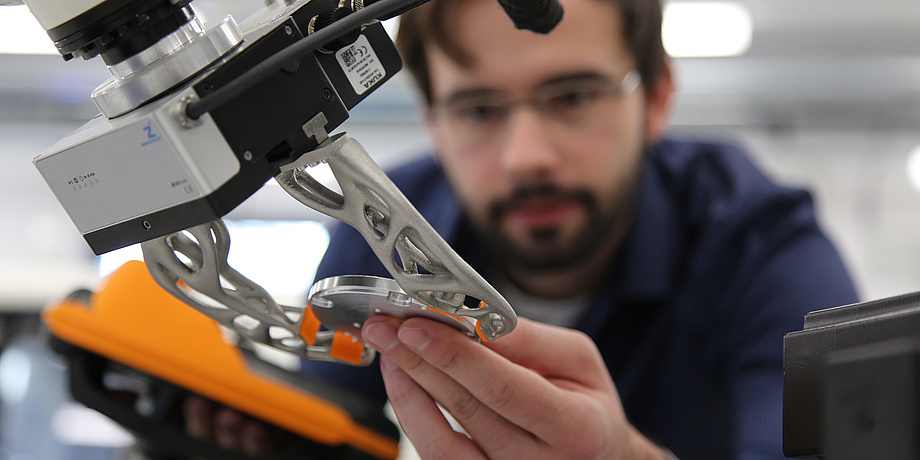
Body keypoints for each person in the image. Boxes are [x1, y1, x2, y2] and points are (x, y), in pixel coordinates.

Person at [191, 0, 859, 458]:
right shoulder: (372, 230)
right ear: (434, 123)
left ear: (656, 99)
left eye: (572, 97)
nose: (526, 156)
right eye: (478, 109)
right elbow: (328, 427)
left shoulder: (764, 249)